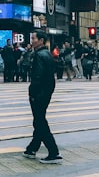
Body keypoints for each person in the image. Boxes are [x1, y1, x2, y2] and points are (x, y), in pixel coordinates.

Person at [23, 30, 61, 164]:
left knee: (40, 121)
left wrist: (33, 93)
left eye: (33, 38)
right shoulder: (48, 54)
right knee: (39, 120)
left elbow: (37, 76)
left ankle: (53, 152)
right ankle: (32, 148)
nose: (31, 40)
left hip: (39, 93)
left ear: (41, 41)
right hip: (47, 91)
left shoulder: (39, 55)